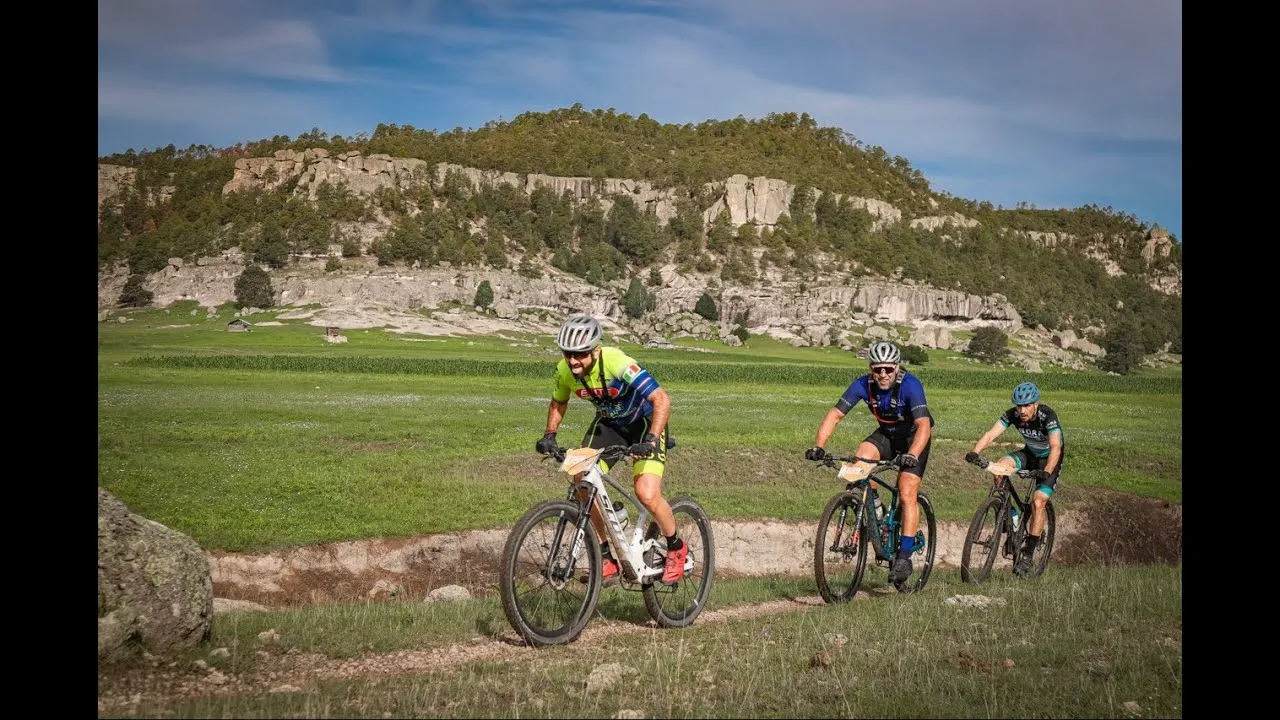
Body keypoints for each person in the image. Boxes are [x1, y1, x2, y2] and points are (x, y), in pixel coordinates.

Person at [535, 313, 687, 585]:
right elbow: (559, 402)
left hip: (644, 425)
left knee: (647, 494)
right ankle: (605, 557)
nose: (573, 361)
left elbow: (661, 399)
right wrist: (550, 434)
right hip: (609, 426)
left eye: (580, 355)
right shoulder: (564, 371)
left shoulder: (617, 362)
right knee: (580, 479)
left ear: (595, 350)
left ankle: (676, 548)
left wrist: (651, 439)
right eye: (568, 354)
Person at [805, 341, 934, 586]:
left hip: (913, 438)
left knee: (907, 491)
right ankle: (877, 512)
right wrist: (818, 446)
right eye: (877, 369)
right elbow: (835, 414)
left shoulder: (911, 386)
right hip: (886, 434)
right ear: (871, 369)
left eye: (887, 369)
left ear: (896, 367)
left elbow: (923, 426)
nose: (883, 374)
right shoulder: (863, 385)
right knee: (859, 463)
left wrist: (913, 454)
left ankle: (905, 556)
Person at [965, 381, 1064, 577]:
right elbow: (991, 433)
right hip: (1029, 453)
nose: (1022, 410)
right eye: (1019, 406)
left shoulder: (1048, 416)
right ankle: (1011, 515)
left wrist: (1047, 470)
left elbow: (1055, 447)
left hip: (1049, 460)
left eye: (1027, 405)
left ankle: (1028, 554)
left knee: (1038, 501)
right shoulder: (1013, 415)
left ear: (1036, 404)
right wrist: (975, 452)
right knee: (1000, 468)